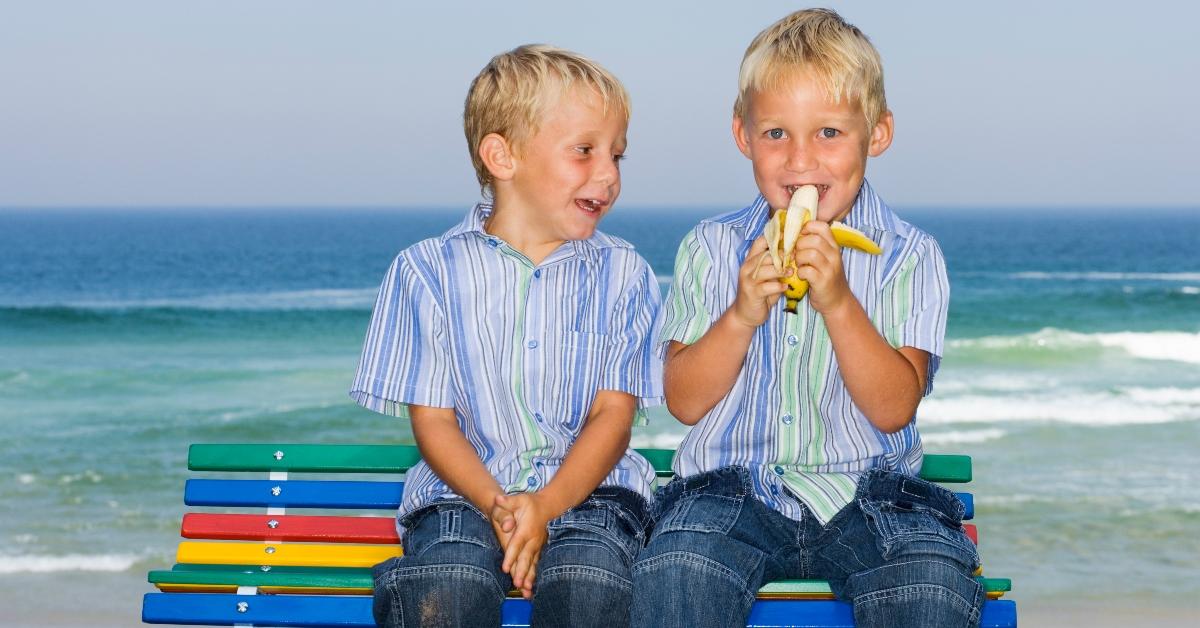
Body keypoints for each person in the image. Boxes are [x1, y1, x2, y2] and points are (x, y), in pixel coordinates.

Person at [631, 9, 983, 628]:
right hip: (725, 495)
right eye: (775, 134)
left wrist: (840, 302)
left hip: (876, 498)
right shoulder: (711, 248)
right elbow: (683, 401)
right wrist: (741, 314)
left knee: (932, 585)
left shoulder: (909, 255)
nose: (800, 161)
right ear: (742, 134)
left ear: (877, 133)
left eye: (828, 133)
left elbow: (894, 406)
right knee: (673, 577)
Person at [350, 44, 661, 628]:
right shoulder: (426, 271)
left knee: (588, 586)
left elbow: (611, 416)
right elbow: (435, 422)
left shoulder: (626, 274)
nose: (610, 175)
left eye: (618, 155)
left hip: (593, 496)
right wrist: (499, 504)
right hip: (461, 495)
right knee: (446, 585)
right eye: (585, 151)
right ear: (502, 155)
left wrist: (545, 505)